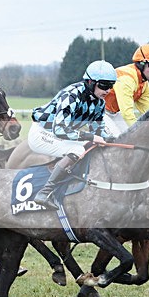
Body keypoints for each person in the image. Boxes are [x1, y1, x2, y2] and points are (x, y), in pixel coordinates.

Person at [30, 60, 117, 210]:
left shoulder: (99, 103)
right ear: (90, 82)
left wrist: (114, 139)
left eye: (111, 85)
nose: (108, 90)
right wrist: (91, 137)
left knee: (90, 146)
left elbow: (98, 130)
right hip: (42, 133)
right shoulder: (71, 96)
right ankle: (44, 193)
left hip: (61, 134)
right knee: (77, 150)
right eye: (104, 85)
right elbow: (59, 129)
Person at [103, 43, 149, 137]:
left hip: (115, 113)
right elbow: (127, 113)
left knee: (130, 139)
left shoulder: (144, 83)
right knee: (118, 139)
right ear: (141, 64)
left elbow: (148, 112)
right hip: (98, 112)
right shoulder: (127, 79)